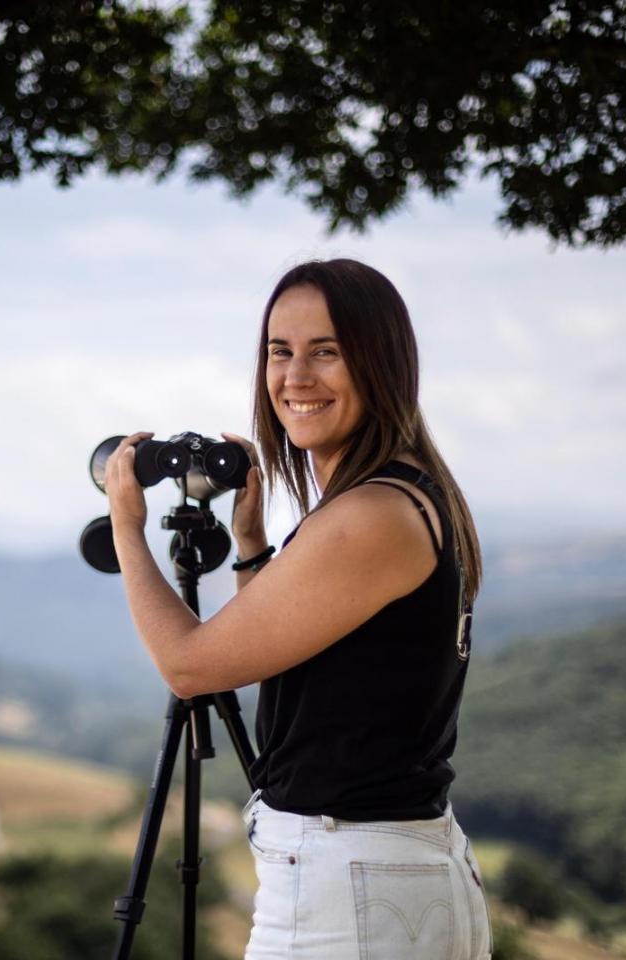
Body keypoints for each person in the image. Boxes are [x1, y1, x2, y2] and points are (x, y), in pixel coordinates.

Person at [103, 258, 492, 959]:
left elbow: (190, 669)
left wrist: (125, 528)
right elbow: (288, 654)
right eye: (280, 352)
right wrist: (252, 544)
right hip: (390, 876)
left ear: (383, 363)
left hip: (351, 890)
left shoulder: (370, 514)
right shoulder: (404, 493)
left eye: (327, 352)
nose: (295, 377)